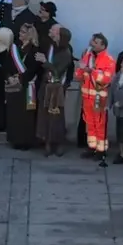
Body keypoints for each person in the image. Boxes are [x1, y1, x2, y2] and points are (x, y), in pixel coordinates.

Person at [76, 34, 115, 161]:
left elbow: (105, 79)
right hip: (86, 97)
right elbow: (78, 75)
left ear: (103, 45)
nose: (93, 44)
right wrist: (81, 70)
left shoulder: (109, 60)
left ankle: (101, 150)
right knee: (90, 124)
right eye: (92, 41)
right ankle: (92, 147)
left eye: (96, 42)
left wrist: (90, 70)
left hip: (99, 98)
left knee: (100, 124)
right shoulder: (88, 56)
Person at [36, 25, 73, 157]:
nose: (54, 35)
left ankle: (58, 142)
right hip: (46, 85)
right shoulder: (51, 47)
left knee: (56, 116)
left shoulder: (66, 53)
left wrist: (45, 61)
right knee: (45, 115)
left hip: (57, 87)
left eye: (56, 33)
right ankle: (47, 141)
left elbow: (58, 72)